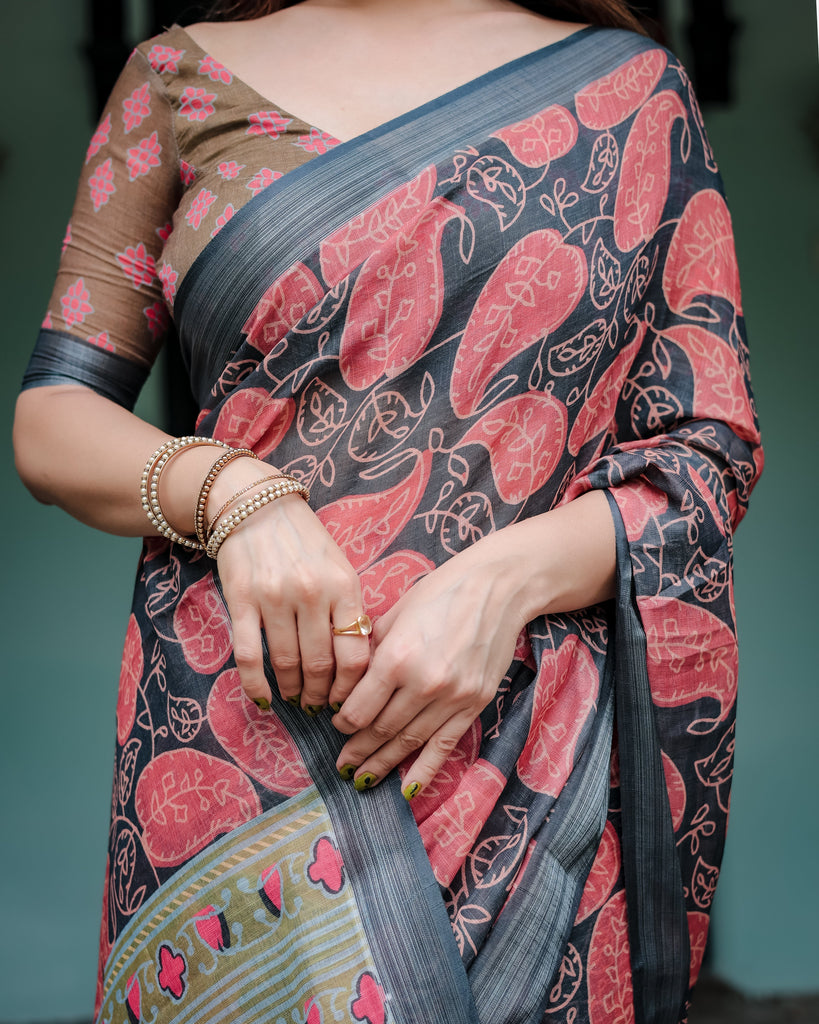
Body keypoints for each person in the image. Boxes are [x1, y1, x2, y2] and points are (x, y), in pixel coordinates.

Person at [13, 1, 762, 1021]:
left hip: (531, 756)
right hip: (237, 744)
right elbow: (53, 421)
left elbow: (703, 452)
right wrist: (237, 497)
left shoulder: (632, 88)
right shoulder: (177, 78)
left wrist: (504, 581)